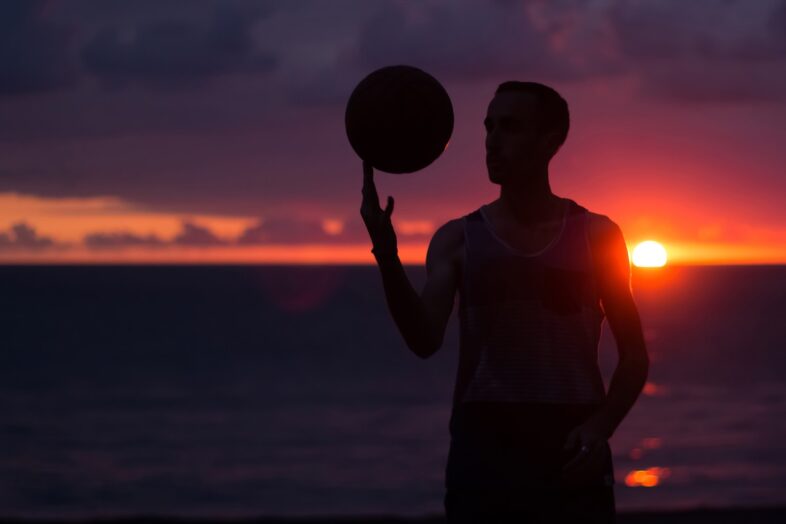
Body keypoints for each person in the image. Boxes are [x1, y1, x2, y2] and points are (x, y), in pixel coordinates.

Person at [360, 81, 649, 523]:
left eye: (510, 127)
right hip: (484, 453)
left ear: (550, 142)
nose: (492, 140)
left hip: (571, 447)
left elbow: (634, 355)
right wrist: (386, 253)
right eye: (489, 126)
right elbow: (424, 338)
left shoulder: (597, 236)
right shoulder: (458, 239)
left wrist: (600, 427)